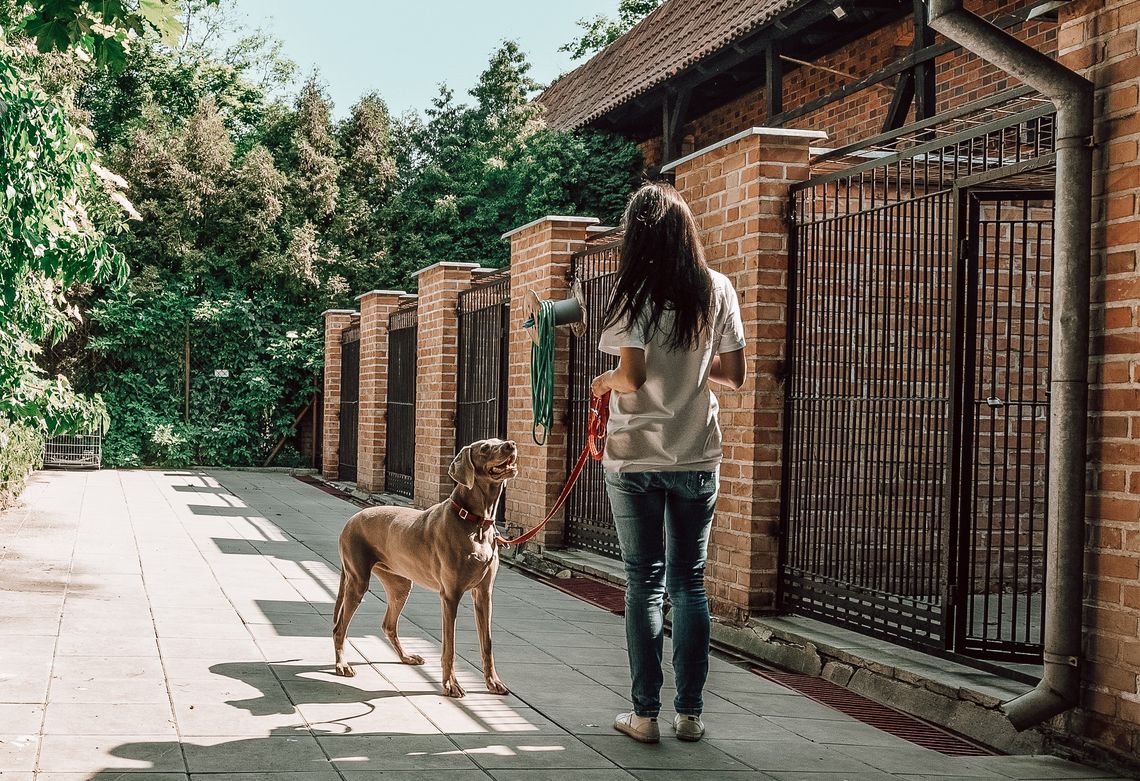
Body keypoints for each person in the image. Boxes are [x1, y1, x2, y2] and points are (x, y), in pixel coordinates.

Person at [591, 181, 747, 744]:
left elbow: (629, 377)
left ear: (637, 236)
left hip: (633, 457)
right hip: (696, 453)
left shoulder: (634, 291)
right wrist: (691, 372)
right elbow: (734, 375)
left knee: (643, 582)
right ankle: (690, 714)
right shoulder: (718, 288)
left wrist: (600, 380)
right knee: (690, 583)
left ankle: (644, 715)